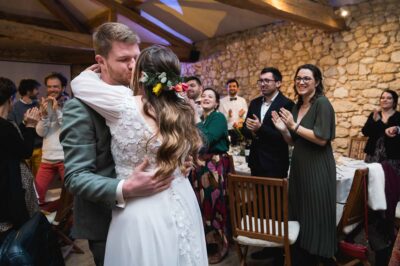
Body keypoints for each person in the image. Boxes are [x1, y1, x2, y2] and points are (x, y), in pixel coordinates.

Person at [60, 22, 201, 266]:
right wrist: (124, 188)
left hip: (168, 211)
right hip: (109, 221)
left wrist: (180, 159)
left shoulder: (153, 98)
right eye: (124, 59)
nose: (134, 65)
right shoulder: (79, 107)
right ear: (101, 62)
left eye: (137, 57)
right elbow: (76, 176)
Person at [272, 64, 336, 265]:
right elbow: (293, 140)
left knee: (316, 211)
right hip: (299, 165)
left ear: (316, 82)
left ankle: (321, 254)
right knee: (300, 209)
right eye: (298, 78)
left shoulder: (322, 103)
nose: (301, 82)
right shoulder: (296, 106)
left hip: (317, 165)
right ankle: (304, 254)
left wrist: (293, 125)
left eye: (307, 78)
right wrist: (283, 129)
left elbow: (321, 138)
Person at [190, 87, 230, 264]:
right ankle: (206, 244)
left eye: (210, 96)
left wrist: (196, 119)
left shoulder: (218, 118)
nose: (205, 98)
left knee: (214, 205)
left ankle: (220, 244)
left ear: (216, 102)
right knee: (201, 206)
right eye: (203, 95)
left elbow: (206, 141)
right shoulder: (203, 119)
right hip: (199, 166)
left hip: (213, 166)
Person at [361, 89, 400, 266]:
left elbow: (395, 131)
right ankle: (372, 219)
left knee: (388, 190)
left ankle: (386, 223)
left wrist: (397, 128)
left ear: (394, 101)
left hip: (391, 160)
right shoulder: (374, 114)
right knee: (370, 188)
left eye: (388, 98)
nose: (385, 100)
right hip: (372, 158)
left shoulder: (398, 116)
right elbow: (366, 132)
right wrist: (375, 122)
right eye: (382, 97)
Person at [0, 77, 40, 243]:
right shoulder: (5, 126)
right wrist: (30, 127)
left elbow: (13, 144)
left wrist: (23, 125)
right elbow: (24, 151)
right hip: (8, 187)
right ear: (11, 99)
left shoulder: (7, 126)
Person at [243, 67, 294, 178]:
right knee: (258, 195)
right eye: (261, 81)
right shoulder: (254, 103)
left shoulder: (287, 104)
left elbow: (284, 137)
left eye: (267, 80)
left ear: (278, 83)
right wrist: (252, 132)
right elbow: (244, 129)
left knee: (276, 196)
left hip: (275, 163)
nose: (262, 84)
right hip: (255, 162)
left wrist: (260, 128)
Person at [35, 73, 69, 209]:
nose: (52, 89)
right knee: (36, 194)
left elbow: (69, 129)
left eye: (55, 86)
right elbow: (40, 132)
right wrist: (44, 116)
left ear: (63, 87)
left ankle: (66, 225)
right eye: (49, 87)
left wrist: (58, 111)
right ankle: (40, 224)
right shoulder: (45, 104)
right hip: (47, 157)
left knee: (71, 196)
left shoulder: (71, 104)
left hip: (65, 157)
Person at [8, 79, 42, 176]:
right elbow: (14, 129)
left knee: (40, 178)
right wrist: (25, 122)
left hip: (39, 148)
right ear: (28, 91)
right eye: (36, 89)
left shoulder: (39, 105)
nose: (38, 91)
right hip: (24, 148)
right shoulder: (14, 107)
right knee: (25, 177)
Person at [219, 79, 248, 145]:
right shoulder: (221, 102)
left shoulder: (242, 100)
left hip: (240, 130)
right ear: (227, 88)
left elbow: (246, 116)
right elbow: (220, 119)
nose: (232, 88)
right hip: (227, 130)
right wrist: (228, 116)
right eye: (230, 86)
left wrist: (241, 116)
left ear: (237, 88)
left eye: (234, 86)